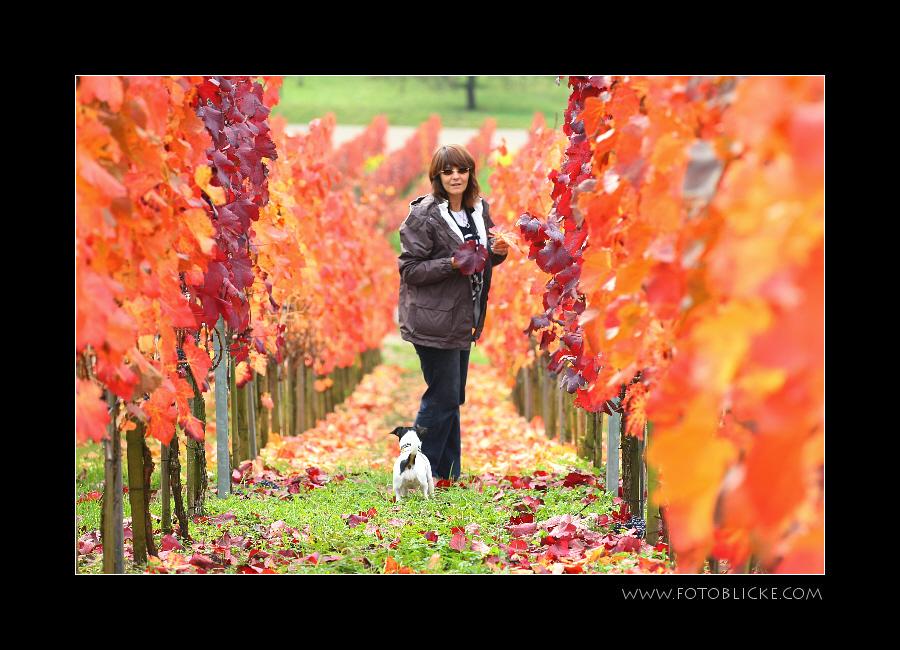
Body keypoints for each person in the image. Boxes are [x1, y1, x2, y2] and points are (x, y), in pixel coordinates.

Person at [397, 144, 509, 483]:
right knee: (443, 395)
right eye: (448, 171)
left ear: (471, 173)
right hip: (432, 320)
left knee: (452, 395)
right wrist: (449, 263)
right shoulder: (424, 215)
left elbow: (481, 258)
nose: (455, 176)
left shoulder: (479, 210)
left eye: (461, 170)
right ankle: (415, 472)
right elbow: (411, 270)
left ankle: (446, 474)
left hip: (464, 318)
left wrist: (498, 253)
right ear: (437, 177)